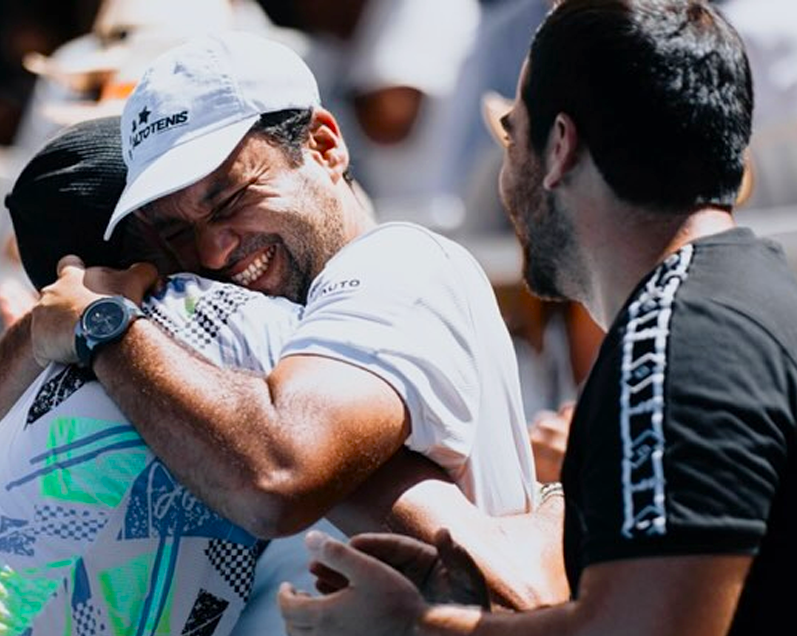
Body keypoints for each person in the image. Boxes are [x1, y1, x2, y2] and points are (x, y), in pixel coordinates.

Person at [277, 1, 795, 634]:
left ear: (559, 147)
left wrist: (418, 624)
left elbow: (644, 630)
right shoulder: (746, 301)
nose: (505, 173)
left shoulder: (674, 340)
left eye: (511, 133)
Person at [0, 116, 342, 636]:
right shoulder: (231, 323)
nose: (216, 242)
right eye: (183, 220)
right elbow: (352, 492)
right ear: (148, 254)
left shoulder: (54, 351)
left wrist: (71, 325)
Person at [27, 31, 537, 540]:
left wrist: (104, 328)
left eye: (230, 201)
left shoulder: (399, 264)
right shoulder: (247, 325)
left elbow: (277, 478)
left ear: (323, 146)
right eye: (178, 232)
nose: (213, 252)